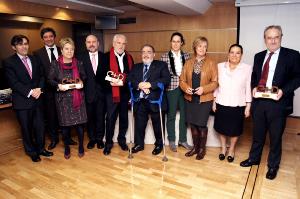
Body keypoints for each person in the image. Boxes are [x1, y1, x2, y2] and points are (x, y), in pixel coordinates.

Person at [240, 25, 300, 180]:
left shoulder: (292, 55)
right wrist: (253, 87)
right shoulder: (258, 56)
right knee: (258, 134)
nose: (272, 40)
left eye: (276, 37)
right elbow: (254, 76)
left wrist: (283, 91)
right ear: (265, 39)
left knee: (275, 136)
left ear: (281, 37)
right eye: (269, 37)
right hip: (259, 102)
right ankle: (254, 158)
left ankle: (273, 166)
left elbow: (297, 77)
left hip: (278, 103)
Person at [3, 35, 53, 162]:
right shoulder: (8, 62)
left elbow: (42, 76)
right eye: (20, 44)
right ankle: (31, 152)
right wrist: (31, 91)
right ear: (14, 47)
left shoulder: (34, 58)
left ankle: (41, 149)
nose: (24, 46)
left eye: (25, 43)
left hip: (38, 99)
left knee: (40, 126)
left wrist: (39, 89)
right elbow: (13, 83)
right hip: (22, 102)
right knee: (27, 128)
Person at [34, 27, 76, 150]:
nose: (48, 39)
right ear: (42, 39)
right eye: (45, 37)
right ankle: (54, 139)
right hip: (48, 91)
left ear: (54, 37)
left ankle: (67, 138)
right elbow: (40, 73)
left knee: (65, 115)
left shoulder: (62, 49)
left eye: (51, 36)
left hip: (66, 90)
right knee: (51, 116)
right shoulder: (37, 53)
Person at [127, 44, 171, 155]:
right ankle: (139, 144)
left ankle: (159, 144)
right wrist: (140, 85)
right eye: (144, 52)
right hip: (140, 100)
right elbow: (130, 79)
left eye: (149, 52)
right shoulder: (136, 67)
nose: (146, 54)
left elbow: (166, 80)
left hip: (155, 101)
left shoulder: (161, 65)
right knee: (139, 125)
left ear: (154, 54)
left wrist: (149, 84)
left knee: (158, 125)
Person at [48, 37, 87, 159]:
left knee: (80, 125)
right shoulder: (55, 64)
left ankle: (81, 146)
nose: (69, 51)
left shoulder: (78, 63)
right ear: (61, 50)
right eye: (67, 49)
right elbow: (50, 80)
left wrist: (81, 82)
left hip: (78, 98)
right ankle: (67, 148)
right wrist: (58, 85)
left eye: (72, 49)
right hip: (63, 100)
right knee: (65, 126)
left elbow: (84, 76)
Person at [179, 36, 218, 160]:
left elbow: (215, 82)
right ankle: (195, 148)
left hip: (205, 99)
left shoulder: (211, 63)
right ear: (195, 47)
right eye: (200, 46)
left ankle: (202, 149)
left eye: (205, 46)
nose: (202, 48)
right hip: (190, 99)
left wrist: (204, 89)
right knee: (193, 125)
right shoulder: (188, 62)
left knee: (201, 125)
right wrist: (186, 88)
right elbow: (182, 80)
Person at [213, 44, 252, 163]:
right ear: (228, 54)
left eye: (238, 52)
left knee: (235, 129)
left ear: (241, 55)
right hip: (221, 102)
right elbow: (216, 85)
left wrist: (248, 106)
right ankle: (223, 148)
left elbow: (248, 87)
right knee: (221, 128)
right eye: (232, 52)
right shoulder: (219, 66)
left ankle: (232, 149)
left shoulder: (247, 68)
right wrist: (214, 102)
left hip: (238, 104)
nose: (234, 55)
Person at [102, 34, 134, 155]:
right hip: (111, 93)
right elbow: (100, 75)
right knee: (110, 118)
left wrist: (125, 81)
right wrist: (110, 82)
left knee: (124, 118)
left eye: (123, 43)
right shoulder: (105, 57)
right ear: (114, 43)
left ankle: (122, 140)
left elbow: (131, 74)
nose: (121, 45)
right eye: (119, 43)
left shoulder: (129, 57)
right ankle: (108, 143)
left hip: (125, 93)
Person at [160, 32, 192, 152]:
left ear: (182, 43)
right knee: (171, 115)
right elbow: (163, 75)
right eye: (173, 41)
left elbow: (189, 73)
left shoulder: (187, 56)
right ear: (171, 42)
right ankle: (172, 140)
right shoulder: (164, 57)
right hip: (171, 88)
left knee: (184, 115)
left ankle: (183, 140)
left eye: (178, 41)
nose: (175, 44)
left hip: (185, 88)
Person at [78, 34, 106, 150]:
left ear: (98, 43)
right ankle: (92, 139)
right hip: (87, 94)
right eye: (89, 42)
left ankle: (99, 139)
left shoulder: (105, 57)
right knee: (90, 118)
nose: (91, 44)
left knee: (100, 117)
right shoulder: (80, 58)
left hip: (102, 94)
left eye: (93, 42)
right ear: (86, 44)